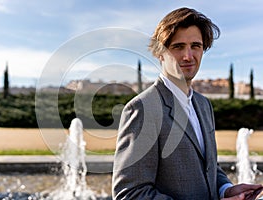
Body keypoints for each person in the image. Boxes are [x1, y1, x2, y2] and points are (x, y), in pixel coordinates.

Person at [112, 7, 262, 200]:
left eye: (196, 46)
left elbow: (209, 167)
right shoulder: (142, 108)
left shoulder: (203, 105)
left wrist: (226, 189)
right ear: (160, 53)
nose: (188, 56)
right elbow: (130, 194)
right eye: (178, 47)